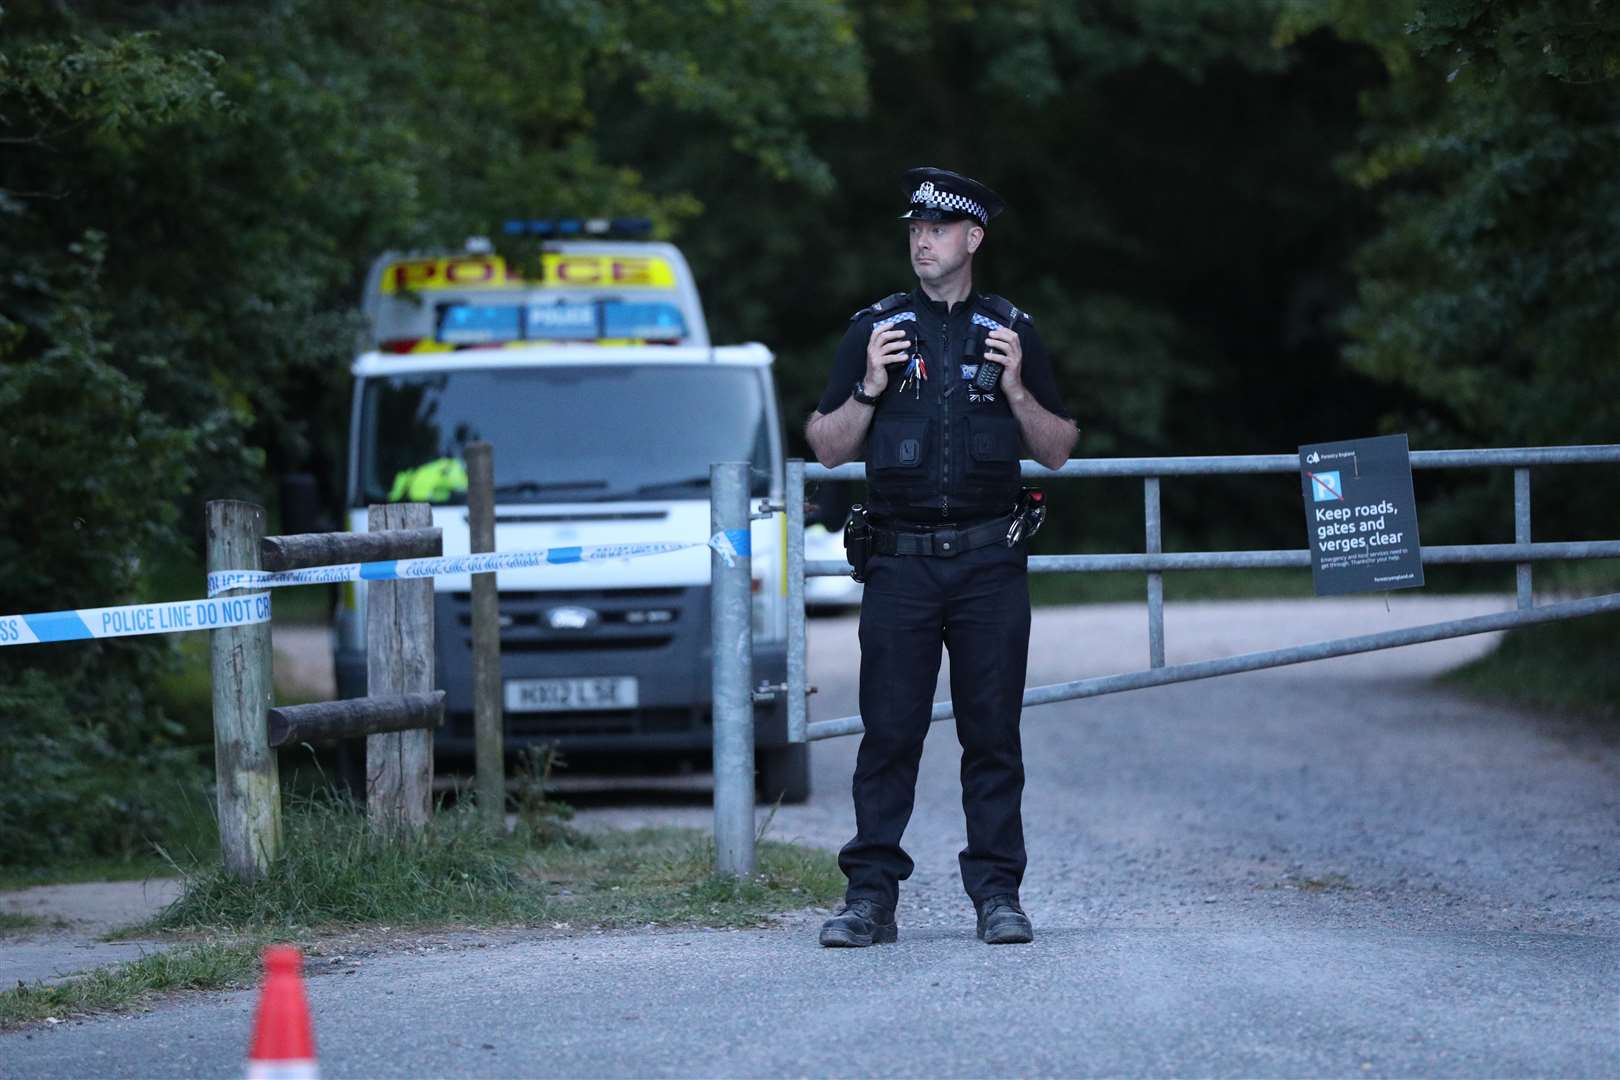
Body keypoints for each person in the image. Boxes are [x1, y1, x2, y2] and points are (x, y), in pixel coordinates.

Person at [806, 167, 1078, 947]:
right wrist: (867, 388)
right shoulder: (877, 328)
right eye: (914, 229)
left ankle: (998, 893)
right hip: (900, 565)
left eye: (937, 229)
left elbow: (1058, 450)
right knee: (888, 733)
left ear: (973, 239)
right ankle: (869, 899)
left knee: (992, 736)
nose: (921, 240)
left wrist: (1020, 388)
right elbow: (825, 450)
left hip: (991, 565)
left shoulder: (1012, 329)